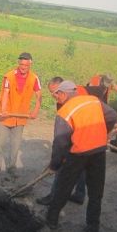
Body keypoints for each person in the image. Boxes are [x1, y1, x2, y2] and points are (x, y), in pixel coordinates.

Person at [45, 81, 117, 232]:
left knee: (63, 187)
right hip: (99, 151)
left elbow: (60, 143)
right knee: (96, 192)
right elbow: (112, 115)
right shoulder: (93, 100)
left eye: (56, 94)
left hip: (78, 154)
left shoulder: (65, 112)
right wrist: (104, 132)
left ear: (64, 94)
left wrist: (54, 165)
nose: (55, 97)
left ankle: (51, 220)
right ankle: (93, 228)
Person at [36, 77, 86, 206]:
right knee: (80, 166)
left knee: (62, 168)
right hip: (78, 136)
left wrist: (57, 161)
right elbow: (64, 125)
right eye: (51, 92)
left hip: (84, 136)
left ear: (63, 90)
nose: (53, 96)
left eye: (55, 92)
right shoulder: (60, 100)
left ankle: (53, 197)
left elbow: (62, 137)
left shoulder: (81, 95)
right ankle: (79, 195)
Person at [0, 52, 42, 178]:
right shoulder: (9, 76)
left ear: (30, 64)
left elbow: (39, 94)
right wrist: (3, 109)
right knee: (0, 143)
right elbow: (6, 94)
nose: (23, 67)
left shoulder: (34, 78)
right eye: (21, 64)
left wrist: (36, 110)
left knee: (16, 145)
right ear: (18, 63)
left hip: (20, 117)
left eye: (25, 65)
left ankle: (11, 168)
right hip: (6, 116)